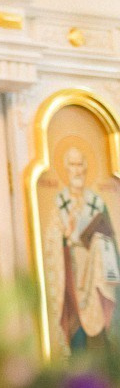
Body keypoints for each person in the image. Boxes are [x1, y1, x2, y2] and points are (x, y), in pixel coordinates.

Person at [46, 146, 120, 354]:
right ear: (66, 168)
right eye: (72, 165)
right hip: (72, 276)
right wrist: (64, 236)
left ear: (86, 168)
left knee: (101, 342)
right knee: (77, 336)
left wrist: (98, 241)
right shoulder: (60, 204)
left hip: (97, 281)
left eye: (80, 165)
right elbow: (51, 240)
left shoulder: (97, 203)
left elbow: (111, 243)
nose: (77, 170)